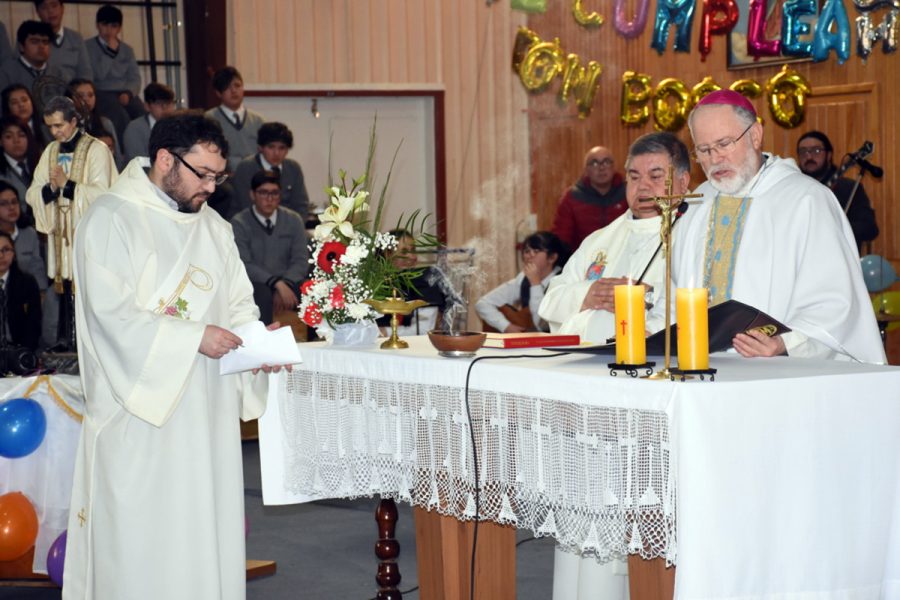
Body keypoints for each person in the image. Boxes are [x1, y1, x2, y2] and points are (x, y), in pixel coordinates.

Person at [65, 111, 284, 600]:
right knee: (142, 546)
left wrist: (257, 345)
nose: (211, 186)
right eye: (202, 173)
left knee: (201, 533)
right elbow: (110, 318)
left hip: (205, 415)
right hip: (140, 418)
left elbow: (237, 305)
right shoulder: (110, 218)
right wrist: (193, 338)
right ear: (165, 159)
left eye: (218, 175)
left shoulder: (213, 228)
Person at [672, 89, 883, 363]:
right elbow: (674, 288)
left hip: (776, 371)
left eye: (724, 144)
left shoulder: (806, 200)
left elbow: (835, 299)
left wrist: (786, 342)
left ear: (755, 136)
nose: (715, 158)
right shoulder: (697, 204)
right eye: (704, 149)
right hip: (698, 364)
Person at [540, 132, 691, 345]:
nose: (643, 186)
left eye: (655, 176)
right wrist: (588, 294)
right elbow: (550, 300)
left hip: (652, 363)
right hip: (582, 362)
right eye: (635, 177)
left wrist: (647, 298)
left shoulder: (696, 232)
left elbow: (706, 302)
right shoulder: (600, 239)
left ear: (683, 182)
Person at [26, 95, 116, 351]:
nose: (54, 132)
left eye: (59, 126)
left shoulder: (96, 149)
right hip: (60, 231)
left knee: (87, 286)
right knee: (64, 285)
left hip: (86, 231)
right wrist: (51, 189)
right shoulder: (50, 151)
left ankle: (90, 342)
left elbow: (105, 194)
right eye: (50, 127)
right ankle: (67, 338)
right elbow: (33, 192)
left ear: (74, 120)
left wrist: (68, 185)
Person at [231, 169, 308, 324]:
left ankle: (313, 341)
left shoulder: (293, 220)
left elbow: (300, 260)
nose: (269, 199)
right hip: (258, 282)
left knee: (313, 290)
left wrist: (285, 284)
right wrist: (276, 283)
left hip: (289, 281)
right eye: (263, 193)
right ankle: (264, 342)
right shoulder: (239, 222)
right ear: (252, 194)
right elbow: (244, 263)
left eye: (274, 193)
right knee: (261, 294)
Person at [796, 130, 878, 251]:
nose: (809, 156)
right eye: (803, 151)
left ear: (829, 155)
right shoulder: (794, 189)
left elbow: (869, 229)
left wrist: (834, 226)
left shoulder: (849, 188)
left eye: (816, 150)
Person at [475, 231, 566, 332]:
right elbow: (483, 304)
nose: (529, 256)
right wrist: (506, 326)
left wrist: (535, 284)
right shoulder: (523, 279)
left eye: (536, 251)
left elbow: (542, 325)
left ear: (552, 257)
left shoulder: (562, 280)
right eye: (527, 251)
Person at [85, 4, 145, 141]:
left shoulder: (127, 49)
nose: (109, 30)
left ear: (119, 28)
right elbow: (97, 75)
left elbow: (135, 77)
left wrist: (129, 92)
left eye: (113, 26)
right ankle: (123, 152)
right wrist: (110, 52)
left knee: (142, 115)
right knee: (120, 116)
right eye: (104, 25)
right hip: (102, 92)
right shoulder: (88, 47)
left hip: (126, 92)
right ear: (97, 25)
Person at [552, 146, 627, 254]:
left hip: (623, 257)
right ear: (586, 169)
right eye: (594, 163)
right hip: (583, 261)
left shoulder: (628, 192)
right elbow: (561, 238)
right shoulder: (572, 197)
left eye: (606, 162)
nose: (601, 168)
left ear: (613, 166)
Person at [228, 121, 310, 220]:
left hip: (288, 227)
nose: (276, 153)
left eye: (282, 148)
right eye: (271, 147)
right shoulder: (246, 167)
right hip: (250, 227)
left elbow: (301, 206)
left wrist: (294, 227)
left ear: (287, 150)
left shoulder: (293, 168)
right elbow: (246, 207)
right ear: (260, 148)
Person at [204, 66, 265, 172]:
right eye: (227, 87)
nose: (234, 91)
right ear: (218, 93)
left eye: (237, 86)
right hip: (223, 179)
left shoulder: (258, 120)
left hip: (255, 178)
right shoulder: (208, 119)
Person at [0, 231, 42, 351]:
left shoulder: (27, 283)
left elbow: (34, 323)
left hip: (19, 351)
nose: (1, 256)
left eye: (6, 249)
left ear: (14, 254)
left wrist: (25, 352)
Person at [35, 0, 93, 82]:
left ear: (62, 9)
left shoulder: (76, 38)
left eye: (54, 5)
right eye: (44, 7)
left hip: (72, 91)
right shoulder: (30, 39)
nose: (50, 11)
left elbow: (86, 73)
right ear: (38, 12)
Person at [0, 21, 64, 93]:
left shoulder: (57, 73)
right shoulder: (6, 73)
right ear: (21, 46)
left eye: (45, 42)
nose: (41, 46)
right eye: (34, 42)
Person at [68, 77, 122, 163]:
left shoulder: (105, 123)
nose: (86, 99)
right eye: (80, 96)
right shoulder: (64, 126)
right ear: (70, 98)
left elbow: (117, 158)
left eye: (90, 95)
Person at [122, 82, 176, 162]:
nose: (165, 108)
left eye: (168, 103)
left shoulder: (177, 126)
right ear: (147, 106)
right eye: (159, 103)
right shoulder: (134, 129)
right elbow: (138, 164)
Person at [0, 115, 40, 222]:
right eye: (9, 137)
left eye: (21, 135)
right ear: (1, 141)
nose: (16, 141)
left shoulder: (41, 164)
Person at [1, 83, 49, 151]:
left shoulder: (48, 129)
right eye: (14, 102)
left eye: (24, 100)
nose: (21, 105)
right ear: (7, 108)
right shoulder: (3, 134)